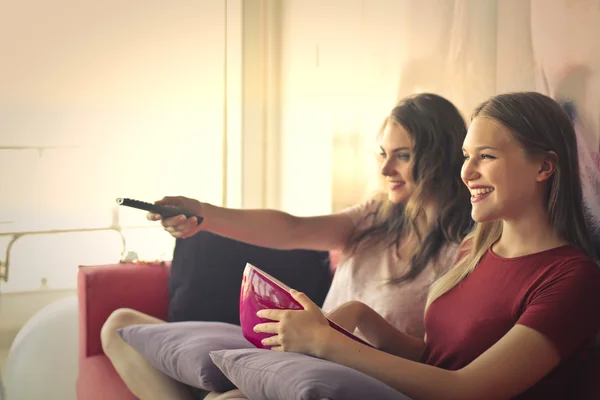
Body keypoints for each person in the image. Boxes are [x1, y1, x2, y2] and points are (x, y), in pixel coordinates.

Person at [100, 93, 473, 400]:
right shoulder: (376, 216)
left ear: (439, 155)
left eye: (402, 155)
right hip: (303, 354)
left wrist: (350, 327)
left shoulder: (463, 249)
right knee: (118, 326)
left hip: (353, 374)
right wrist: (203, 214)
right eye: (383, 154)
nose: (385, 169)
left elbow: (435, 358)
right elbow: (292, 230)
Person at [253, 92, 600, 400]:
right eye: (467, 156)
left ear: (544, 166)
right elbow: (435, 360)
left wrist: (326, 343)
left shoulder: (571, 278)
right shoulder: (473, 251)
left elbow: (467, 388)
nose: (467, 173)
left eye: (487, 156)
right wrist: (359, 314)